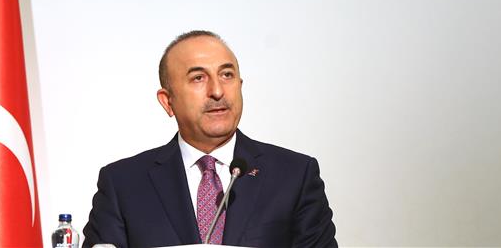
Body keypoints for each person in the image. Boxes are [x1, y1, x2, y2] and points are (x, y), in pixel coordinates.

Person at [83, 30, 337, 247]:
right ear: (168, 101)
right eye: (198, 78)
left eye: (227, 75)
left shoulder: (294, 175)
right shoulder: (123, 183)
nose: (217, 91)